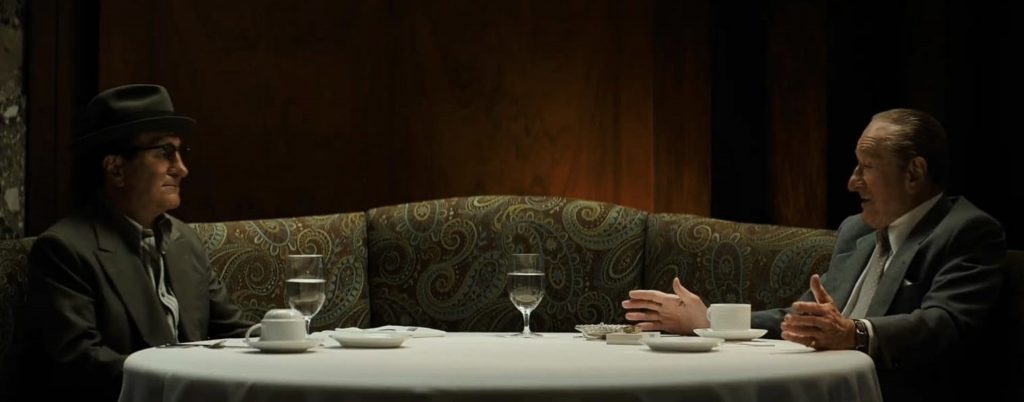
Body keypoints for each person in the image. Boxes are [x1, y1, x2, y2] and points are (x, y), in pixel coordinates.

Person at [622, 108, 1006, 401]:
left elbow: (946, 324)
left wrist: (855, 333)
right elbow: (804, 320)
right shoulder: (857, 230)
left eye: (867, 167)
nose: (852, 182)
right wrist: (708, 321)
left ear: (914, 173)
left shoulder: (967, 230)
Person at [25, 84, 252, 401]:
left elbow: (234, 332)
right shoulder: (64, 250)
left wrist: (284, 335)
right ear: (116, 169)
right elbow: (80, 363)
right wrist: (186, 382)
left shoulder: (184, 240)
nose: (182, 169)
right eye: (165, 152)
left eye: (180, 152)